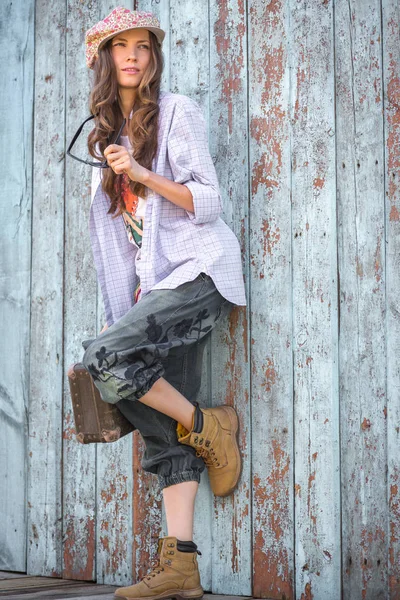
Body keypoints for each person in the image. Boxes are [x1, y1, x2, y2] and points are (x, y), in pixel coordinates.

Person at [77, 7, 247, 600]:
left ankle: (210, 426)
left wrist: (144, 175)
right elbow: (120, 246)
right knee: (161, 433)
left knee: (103, 358)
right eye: (120, 46)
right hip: (154, 291)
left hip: (199, 272)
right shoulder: (103, 141)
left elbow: (208, 202)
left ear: (153, 57)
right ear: (104, 59)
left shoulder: (177, 112)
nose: (132, 55)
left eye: (142, 46)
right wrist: (122, 311)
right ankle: (183, 568)